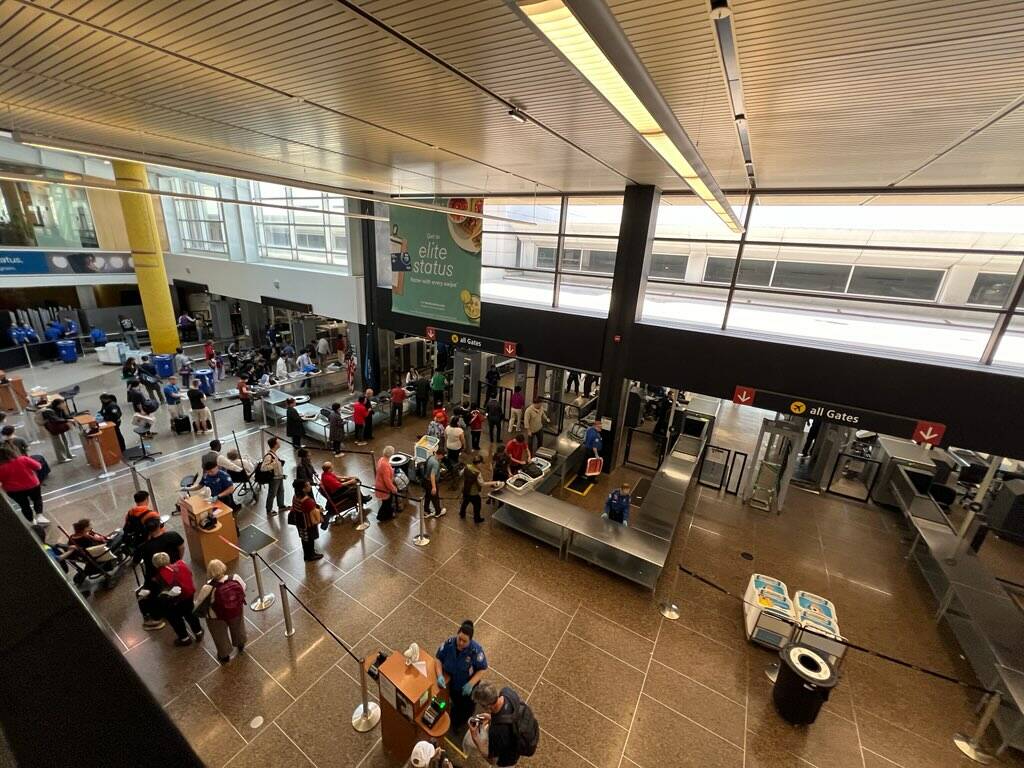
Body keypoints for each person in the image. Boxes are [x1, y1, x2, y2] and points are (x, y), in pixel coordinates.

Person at [467, 681, 539, 766]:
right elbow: (511, 713)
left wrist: (475, 737)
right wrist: (493, 717)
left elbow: (492, 760)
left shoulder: (497, 731)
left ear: (488, 706)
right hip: (519, 730)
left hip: (508, 758)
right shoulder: (507, 692)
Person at [436, 620, 489, 733]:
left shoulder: (475, 651)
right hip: (453, 684)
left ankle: (459, 723)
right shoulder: (449, 644)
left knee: (466, 708)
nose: (460, 643)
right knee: (455, 702)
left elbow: (482, 669)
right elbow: (438, 658)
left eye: (465, 641)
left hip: (467, 687)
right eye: (459, 639)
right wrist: (440, 675)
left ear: (470, 640)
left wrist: (470, 684)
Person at [195, 559, 247, 663]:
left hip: (216, 616)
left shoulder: (208, 587)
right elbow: (243, 588)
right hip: (235, 610)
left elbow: (199, 602)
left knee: (220, 635)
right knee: (238, 627)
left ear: (210, 572)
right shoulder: (235, 577)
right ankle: (240, 644)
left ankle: (224, 655)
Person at [151, 552, 204, 646]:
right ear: (168, 559)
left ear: (155, 564)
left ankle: (185, 638)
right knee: (190, 614)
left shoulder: (158, 578)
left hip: (174, 602)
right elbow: (190, 574)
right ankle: (198, 632)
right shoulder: (181, 564)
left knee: (176, 619)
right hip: (188, 595)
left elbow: (158, 595)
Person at [0, 445, 43, 523]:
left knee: (24, 505)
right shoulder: (23, 459)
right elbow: (38, 467)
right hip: (32, 485)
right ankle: (39, 515)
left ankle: (32, 521)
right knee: (37, 499)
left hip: (14, 490)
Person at [290, 479, 324, 561]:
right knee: (310, 538)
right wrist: (320, 511)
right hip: (307, 522)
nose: (310, 487)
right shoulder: (307, 501)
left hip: (299, 520)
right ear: (303, 489)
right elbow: (314, 512)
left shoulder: (295, 496)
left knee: (304, 538)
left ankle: (307, 554)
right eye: (308, 485)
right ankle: (311, 555)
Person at [40, 397, 74, 463]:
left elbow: (65, 417)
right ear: (58, 405)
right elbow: (55, 420)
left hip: (60, 426)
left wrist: (73, 417)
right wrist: (67, 420)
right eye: (63, 404)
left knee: (65, 440)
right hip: (53, 429)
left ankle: (68, 455)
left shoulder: (60, 409)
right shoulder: (48, 411)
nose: (64, 405)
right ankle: (61, 458)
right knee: (58, 443)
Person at [259, 437, 287, 516]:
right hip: (274, 478)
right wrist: (273, 464)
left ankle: (281, 505)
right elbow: (263, 468)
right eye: (278, 442)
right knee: (272, 494)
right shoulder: (269, 456)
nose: (279, 443)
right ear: (275, 444)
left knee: (281, 491)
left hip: (279, 477)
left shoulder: (274, 454)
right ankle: (269, 510)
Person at [375, 445, 398, 521]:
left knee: (386, 502)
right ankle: (381, 516)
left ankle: (388, 514)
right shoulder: (385, 465)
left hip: (379, 484)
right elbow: (387, 480)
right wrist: (393, 488)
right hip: (384, 487)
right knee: (387, 503)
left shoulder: (381, 459)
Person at [422, 445, 446, 519]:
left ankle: (426, 511)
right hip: (431, 482)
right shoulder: (435, 463)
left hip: (425, 480)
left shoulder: (431, 457)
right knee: (435, 498)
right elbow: (432, 475)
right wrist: (434, 487)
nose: (443, 457)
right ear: (440, 455)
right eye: (443, 456)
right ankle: (438, 512)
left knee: (427, 496)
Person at [460, 454, 485, 523]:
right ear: (478, 463)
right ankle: (477, 519)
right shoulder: (477, 473)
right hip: (473, 492)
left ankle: (462, 513)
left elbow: (460, 474)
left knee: (465, 502)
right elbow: (482, 484)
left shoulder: (467, 466)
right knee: (477, 505)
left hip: (465, 489)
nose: (482, 465)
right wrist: (492, 483)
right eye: (481, 463)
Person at [583, 418, 604, 482]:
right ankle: (591, 479)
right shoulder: (596, 435)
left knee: (585, 462)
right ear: (595, 426)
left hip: (587, 449)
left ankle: (581, 473)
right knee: (592, 464)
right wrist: (596, 455)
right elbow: (594, 447)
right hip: (592, 451)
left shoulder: (589, 430)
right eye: (599, 427)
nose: (601, 428)